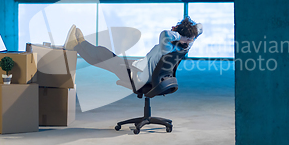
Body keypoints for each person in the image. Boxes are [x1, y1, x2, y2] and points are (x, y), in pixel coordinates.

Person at [65, 17, 203, 88]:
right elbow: (200, 27)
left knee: (103, 57)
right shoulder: (186, 46)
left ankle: (78, 45)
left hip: (138, 77)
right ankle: (78, 45)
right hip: (141, 67)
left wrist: (179, 35)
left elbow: (165, 34)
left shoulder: (168, 47)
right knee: (105, 56)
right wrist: (188, 36)